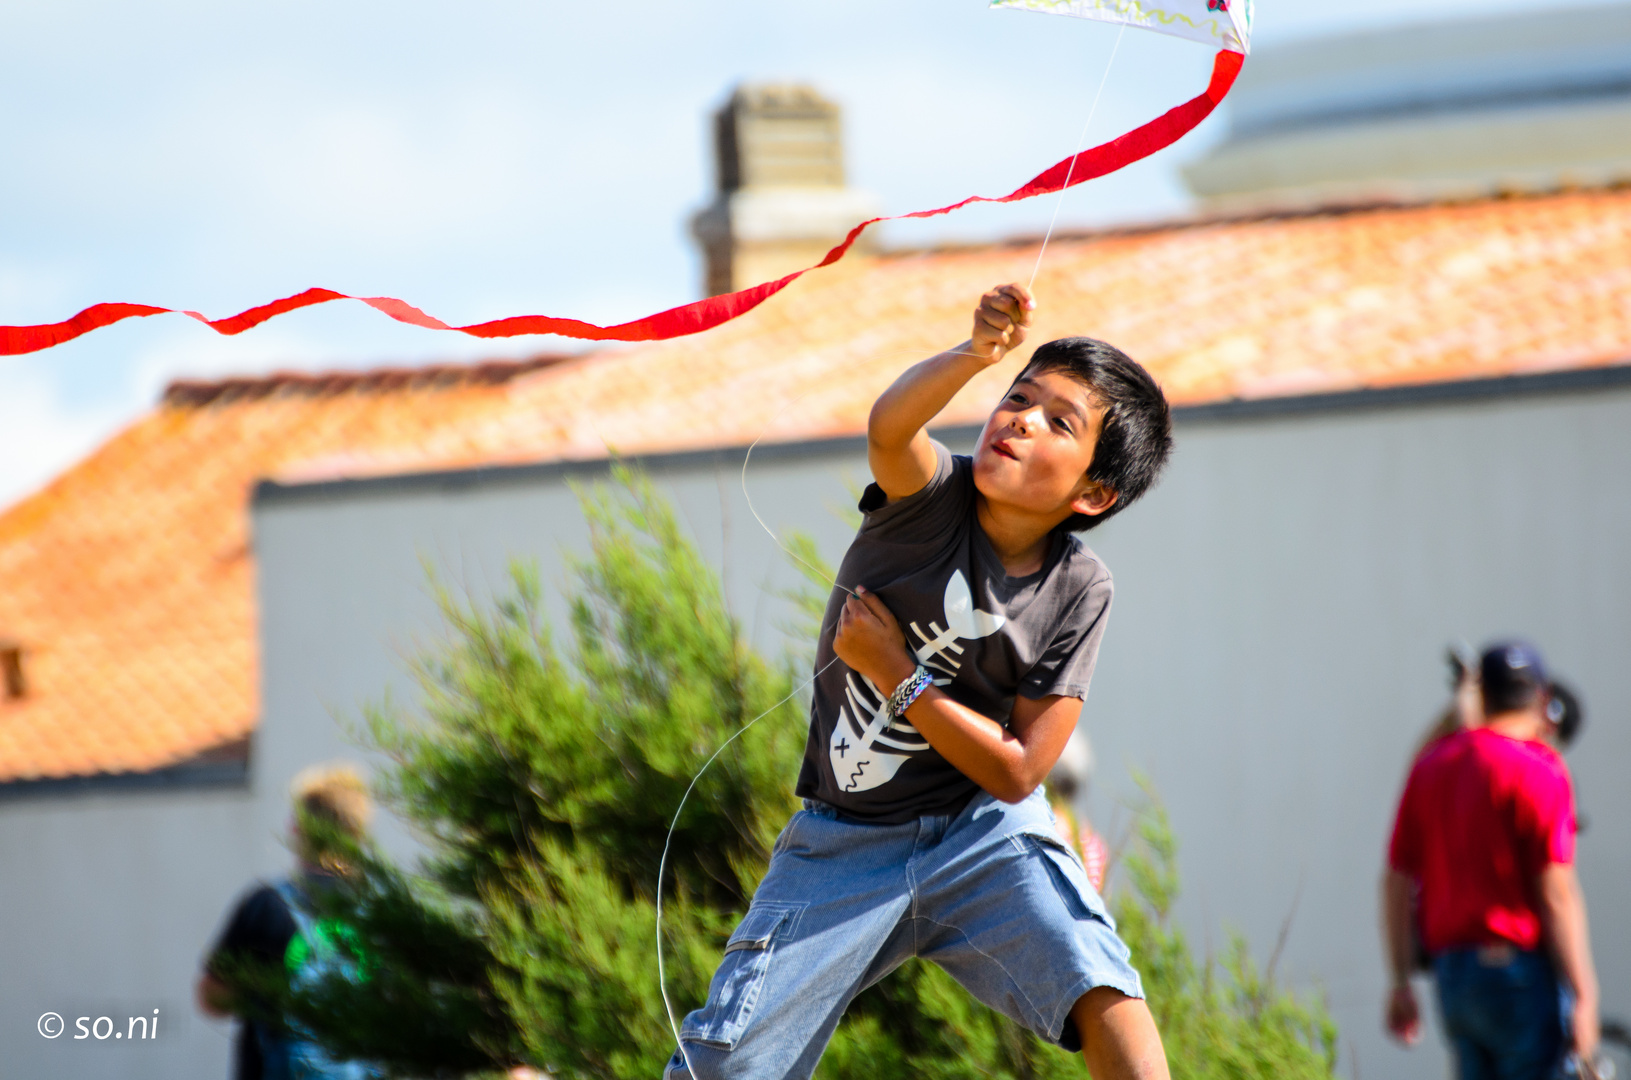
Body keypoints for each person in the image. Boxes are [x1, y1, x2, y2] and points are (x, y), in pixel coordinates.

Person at [667, 283, 1175, 1079]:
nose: (1019, 417)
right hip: (841, 841)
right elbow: (889, 426)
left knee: (1105, 993)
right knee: (723, 1066)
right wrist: (975, 354)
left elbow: (1015, 772)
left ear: (1092, 494)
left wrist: (897, 676)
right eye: (1018, 395)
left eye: (1058, 421)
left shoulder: (1082, 587)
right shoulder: (930, 497)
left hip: (982, 834)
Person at [1383, 642, 1602, 1080]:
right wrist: (1584, 994)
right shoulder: (1541, 769)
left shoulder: (1433, 767)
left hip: (1454, 974)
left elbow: (1395, 878)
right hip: (1518, 972)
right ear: (1541, 699)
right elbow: (1557, 892)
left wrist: (1400, 979)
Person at [198, 763, 377, 1080]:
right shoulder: (382, 916)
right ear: (358, 833)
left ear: (299, 830)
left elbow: (212, 997)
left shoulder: (267, 906)